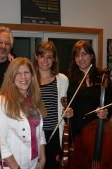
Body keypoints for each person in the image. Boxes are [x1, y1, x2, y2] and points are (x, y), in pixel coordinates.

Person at [66, 40, 112, 168]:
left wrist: (106, 112)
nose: (80, 58)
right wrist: (67, 111)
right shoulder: (69, 79)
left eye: (84, 54)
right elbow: (66, 104)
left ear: (92, 56)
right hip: (77, 133)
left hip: (98, 133)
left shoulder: (102, 77)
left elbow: (110, 105)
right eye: (77, 55)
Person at [0, 57, 47, 169]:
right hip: (12, 166)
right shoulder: (2, 102)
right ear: (11, 77)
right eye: (18, 73)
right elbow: (0, 143)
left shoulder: (33, 98)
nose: (23, 77)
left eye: (26, 72)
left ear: (32, 76)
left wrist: (42, 158)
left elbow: (39, 132)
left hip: (33, 164)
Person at [33, 41, 73, 169]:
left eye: (49, 57)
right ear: (36, 57)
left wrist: (68, 112)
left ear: (54, 59)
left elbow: (66, 104)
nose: (45, 60)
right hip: (36, 133)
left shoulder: (62, 79)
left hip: (54, 133)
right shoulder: (29, 79)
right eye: (42, 56)